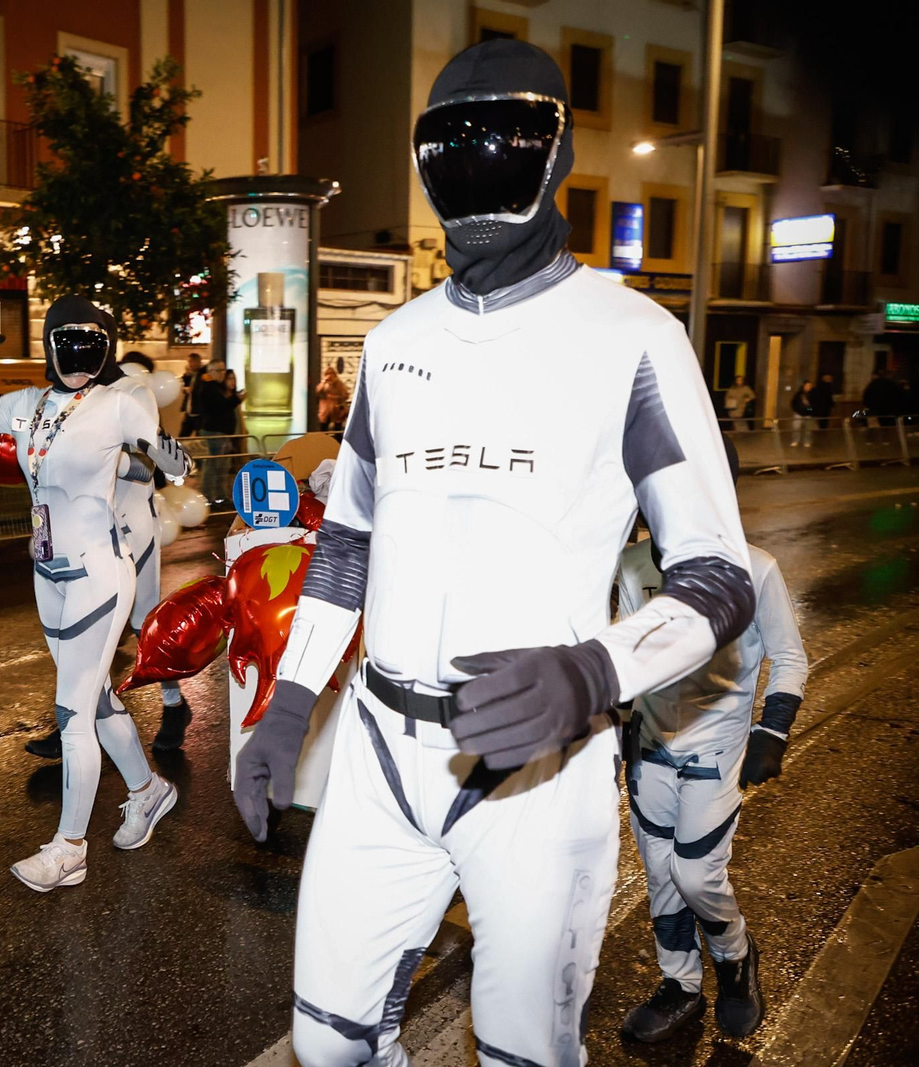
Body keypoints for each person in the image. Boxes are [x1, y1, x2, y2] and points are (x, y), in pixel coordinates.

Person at [232, 41, 754, 1067]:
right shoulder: (393, 341)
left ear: (557, 157)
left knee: (522, 1053)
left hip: (540, 769)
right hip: (381, 748)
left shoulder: (634, 336)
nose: (475, 166)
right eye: (449, 147)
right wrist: (287, 705)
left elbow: (718, 575)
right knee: (327, 1045)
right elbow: (348, 540)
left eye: (507, 141)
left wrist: (595, 670)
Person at [0, 295, 194, 892]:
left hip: (100, 572)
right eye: (68, 343)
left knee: (72, 712)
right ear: (50, 345)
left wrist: (165, 458)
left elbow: (164, 461)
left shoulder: (118, 403)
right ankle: (148, 790)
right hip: (47, 573)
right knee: (94, 699)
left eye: (93, 345)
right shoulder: (26, 404)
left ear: (106, 348)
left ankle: (69, 848)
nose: (80, 358)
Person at [618, 441, 807, 1042]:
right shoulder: (633, 565)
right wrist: (613, 728)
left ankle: (735, 960)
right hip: (649, 750)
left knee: (696, 876)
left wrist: (771, 733)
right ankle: (680, 984)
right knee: (660, 876)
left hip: (716, 752)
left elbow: (789, 656)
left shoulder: (756, 567)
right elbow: (627, 658)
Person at [25, 342, 193, 760]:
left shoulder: (133, 393)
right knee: (74, 629)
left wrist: (105, 459)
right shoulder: (68, 397)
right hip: (86, 533)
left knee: (146, 624)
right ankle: (76, 719)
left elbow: (148, 467)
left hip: (132, 527)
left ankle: (174, 703)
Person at [192, 360, 243, 503]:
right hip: (214, 432)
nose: (222, 373)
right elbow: (221, 407)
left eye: (223, 370)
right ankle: (209, 497)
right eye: (219, 370)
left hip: (221, 433)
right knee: (213, 467)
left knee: (222, 467)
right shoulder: (208, 388)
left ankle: (220, 497)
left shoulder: (216, 387)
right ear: (211, 372)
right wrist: (237, 399)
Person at [316, 365, 352, 431]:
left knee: (337, 427)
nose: (330, 377)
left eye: (331, 374)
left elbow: (346, 395)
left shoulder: (339, 384)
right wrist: (324, 382)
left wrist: (335, 398)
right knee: (323, 427)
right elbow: (318, 391)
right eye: (327, 374)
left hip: (336, 409)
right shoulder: (324, 383)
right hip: (325, 409)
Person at [179, 351, 205, 436]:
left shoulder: (203, 375)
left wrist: (192, 390)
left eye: (191, 362)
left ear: (197, 362)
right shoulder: (190, 375)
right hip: (189, 412)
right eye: (189, 362)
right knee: (183, 436)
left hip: (199, 413)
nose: (189, 364)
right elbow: (184, 386)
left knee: (199, 436)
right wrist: (187, 376)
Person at [789, 380, 814, 447]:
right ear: (803, 386)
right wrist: (796, 410)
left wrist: (809, 410)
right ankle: (795, 440)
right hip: (798, 413)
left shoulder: (812, 395)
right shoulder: (798, 394)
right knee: (796, 428)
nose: (808, 387)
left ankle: (807, 441)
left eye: (810, 386)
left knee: (807, 429)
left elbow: (813, 406)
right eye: (807, 385)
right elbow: (793, 403)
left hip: (808, 414)